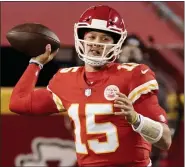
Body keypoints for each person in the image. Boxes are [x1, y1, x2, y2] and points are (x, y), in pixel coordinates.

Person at [9, 5, 172, 167]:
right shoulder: (66, 79)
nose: (97, 43)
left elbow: (165, 140)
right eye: (92, 37)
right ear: (82, 38)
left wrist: (136, 120)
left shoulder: (134, 76)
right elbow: (18, 102)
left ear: (116, 42)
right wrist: (36, 63)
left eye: (105, 39)